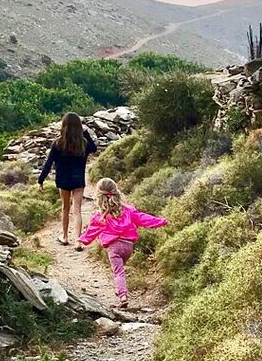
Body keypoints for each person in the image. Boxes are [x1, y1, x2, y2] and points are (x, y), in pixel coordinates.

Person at [79, 177, 167, 309]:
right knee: (120, 270)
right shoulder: (128, 211)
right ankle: (120, 287)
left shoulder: (100, 216)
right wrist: (161, 221)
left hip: (114, 247)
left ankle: (123, 296)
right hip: (128, 247)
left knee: (118, 272)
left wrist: (81, 240)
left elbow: (91, 232)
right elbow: (144, 218)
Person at [38, 112, 97, 249]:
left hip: (63, 180)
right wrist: (86, 134)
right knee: (77, 210)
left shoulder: (58, 144)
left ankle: (64, 237)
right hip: (78, 180)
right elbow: (94, 149)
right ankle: (78, 240)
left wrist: (40, 180)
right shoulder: (83, 143)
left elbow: (48, 163)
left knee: (65, 208)